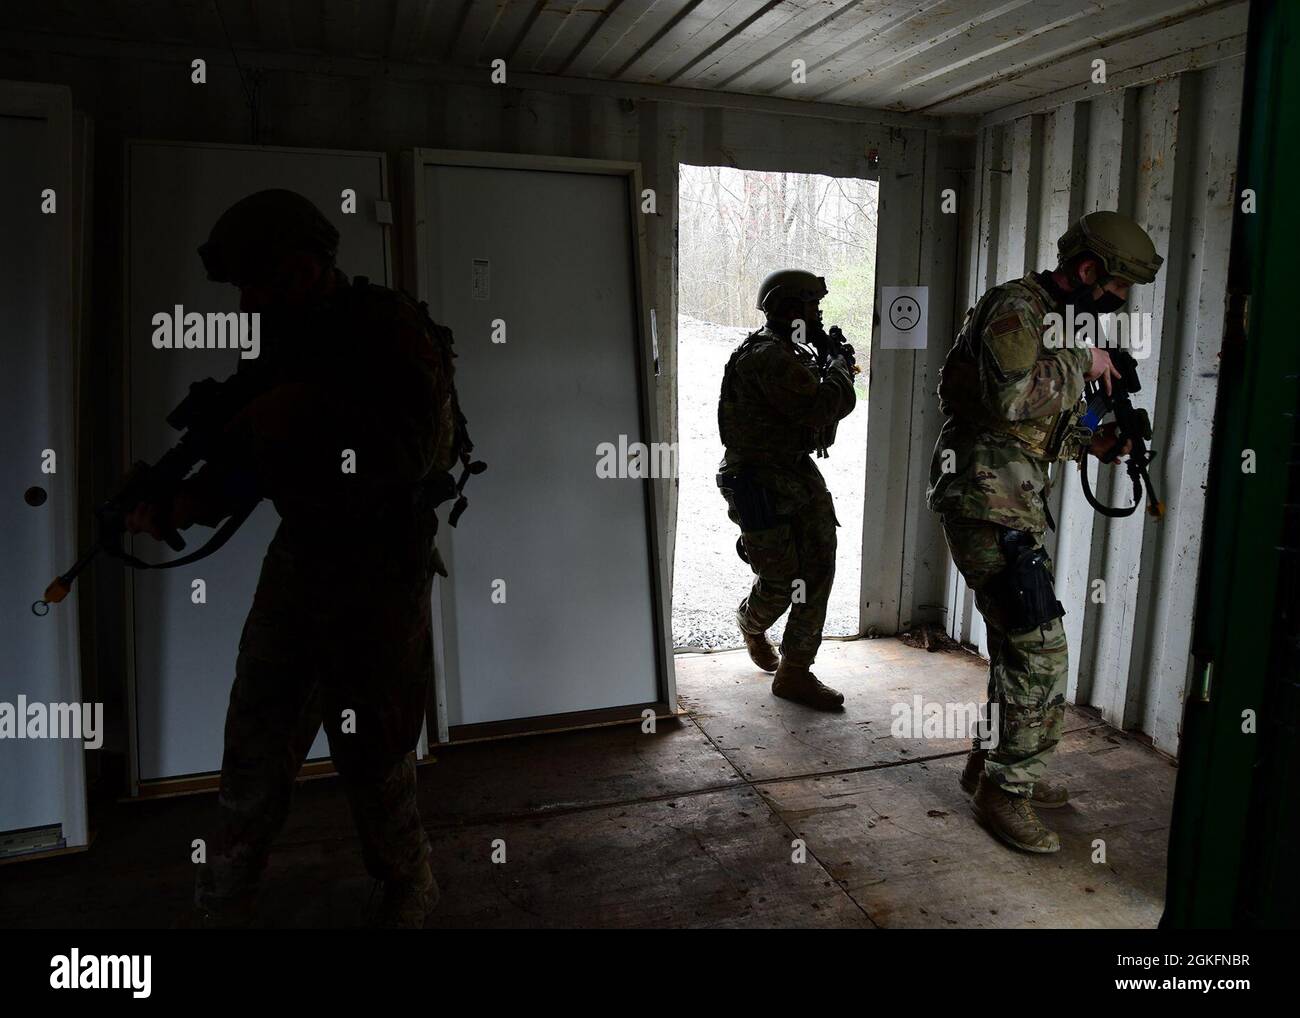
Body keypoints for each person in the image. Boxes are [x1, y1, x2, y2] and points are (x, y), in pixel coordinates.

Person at [127, 189, 471, 926]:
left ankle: (408, 879)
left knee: (374, 751)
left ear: (306, 269)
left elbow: (410, 456)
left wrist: (303, 410)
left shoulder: (390, 331)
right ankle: (227, 894)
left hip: (379, 570)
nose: (247, 300)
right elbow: (255, 454)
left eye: (257, 282)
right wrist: (184, 502)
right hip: (302, 559)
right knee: (255, 737)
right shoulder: (285, 338)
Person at [927, 210, 1163, 853]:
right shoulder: (1018, 308)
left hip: (1012, 502)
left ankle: (994, 765)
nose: (1118, 305)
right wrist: (1081, 361)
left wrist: (1097, 440)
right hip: (985, 502)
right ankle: (1008, 792)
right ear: (1089, 270)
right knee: (1041, 649)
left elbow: (1027, 423)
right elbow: (1009, 399)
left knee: (1014, 643)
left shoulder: (1056, 320)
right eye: (1116, 290)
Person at [715, 269, 858, 710]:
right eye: (812, 306)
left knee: (818, 567)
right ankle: (751, 623)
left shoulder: (789, 351)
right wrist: (838, 370)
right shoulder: (766, 357)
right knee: (780, 581)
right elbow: (822, 405)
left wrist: (828, 360)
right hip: (758, 480)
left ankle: (795, 671)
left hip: (795, 473)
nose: (817, 315)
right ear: (791, 308)